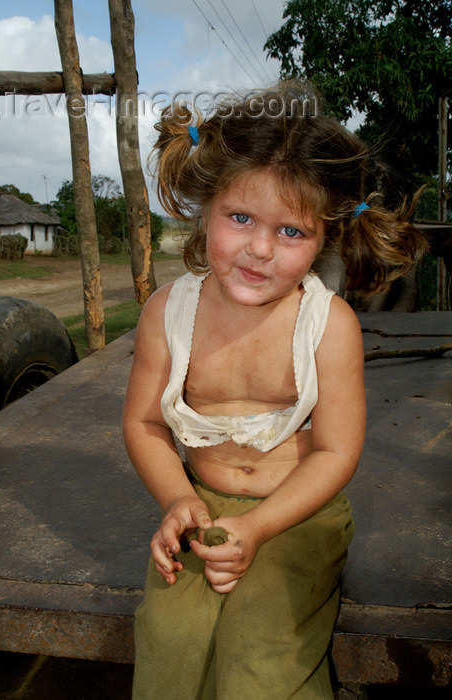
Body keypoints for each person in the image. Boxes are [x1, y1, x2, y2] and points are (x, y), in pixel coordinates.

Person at [123, 82, 425, 699]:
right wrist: (177, 501)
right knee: (169, 649)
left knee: (261, 652)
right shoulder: (166, 313)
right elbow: (146, 425)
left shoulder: (328, 326)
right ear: (206, 207)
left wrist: (259, 527)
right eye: (241, 218)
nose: (260, 248)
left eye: (292, 232)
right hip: (200, 505)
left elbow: (336, 454)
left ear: (326, 239)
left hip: (297, 515)